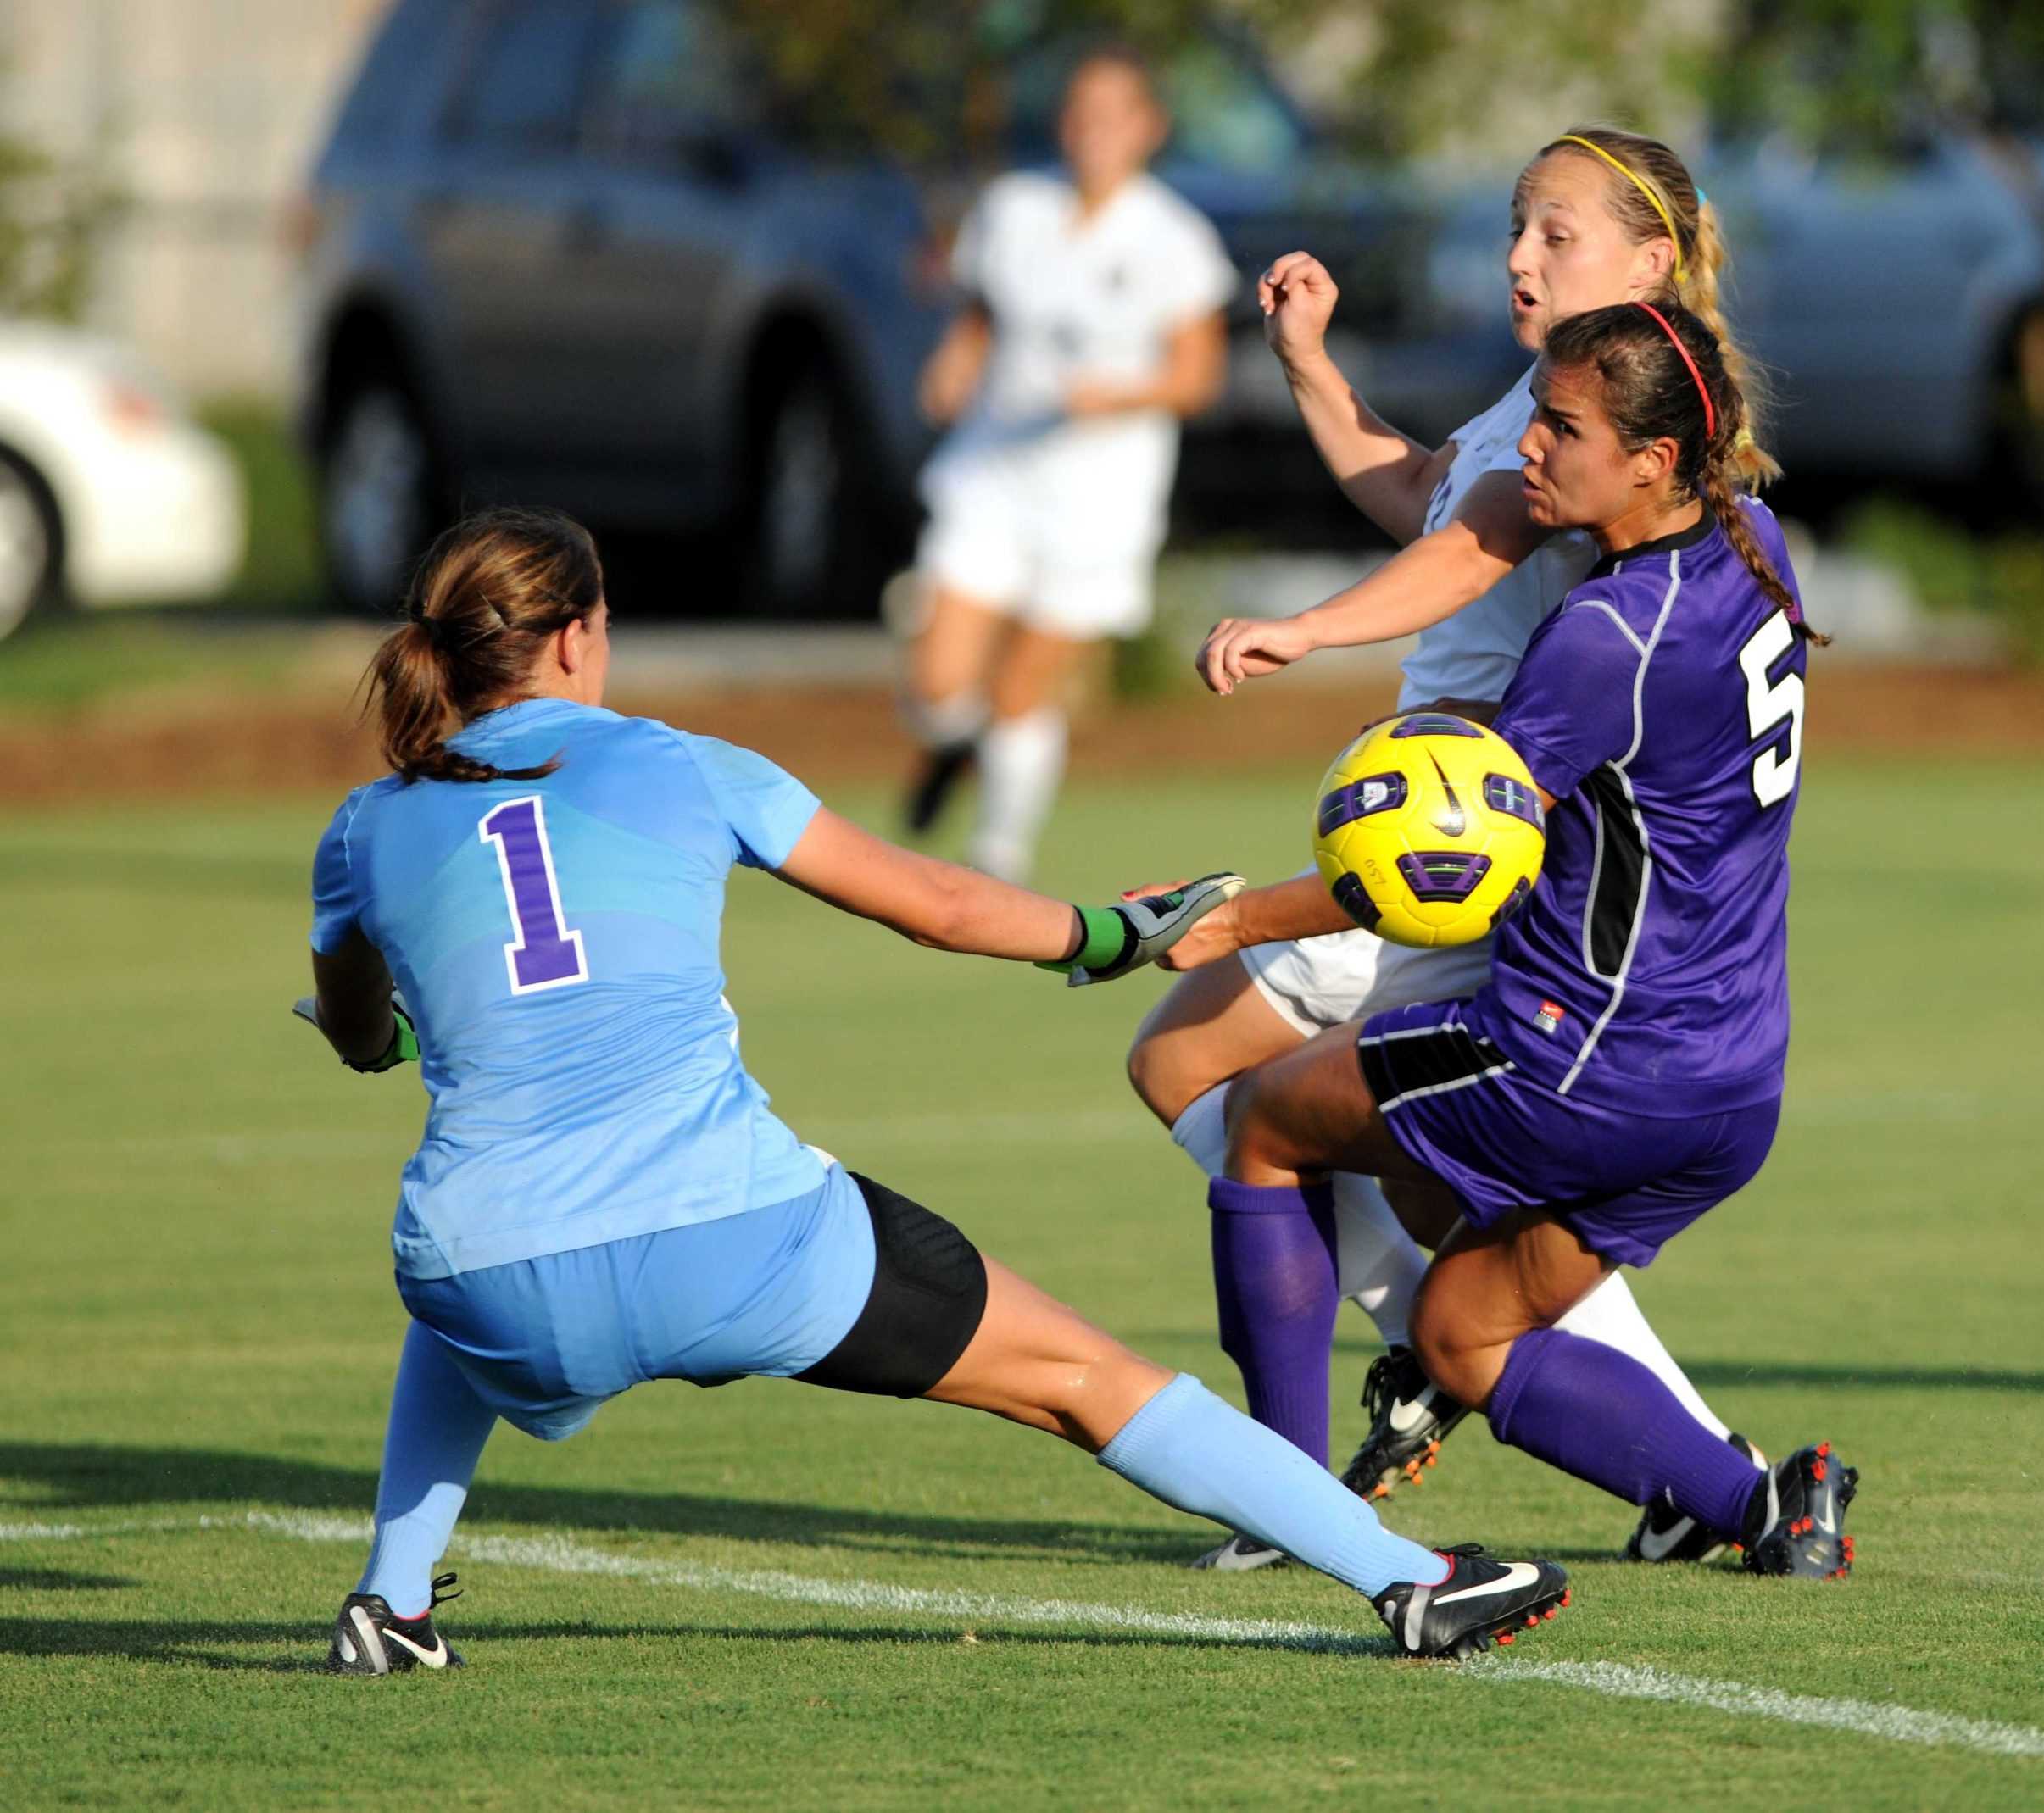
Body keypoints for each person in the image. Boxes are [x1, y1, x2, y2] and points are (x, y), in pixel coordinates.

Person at [297, 505, 1570, 1676]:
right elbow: (945, 905)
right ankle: (1415, 1580)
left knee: (476, 1256)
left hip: (486, 1268)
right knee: (1085, 1375)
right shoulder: (684, 763)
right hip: (734, 1240)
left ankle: (390, 1602)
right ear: (577, 635)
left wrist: (395, 1038)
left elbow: (362, 1033)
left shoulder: (362, 826)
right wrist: (1114, 934)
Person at [1126, 128, 1777, 1568]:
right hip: (1472, 838)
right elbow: (1428, 489)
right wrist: (1312, 368)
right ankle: (1683, 1462)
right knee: (1434, 1200)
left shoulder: (1587, 441)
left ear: (1650, 263)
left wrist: (1305, 626)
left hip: (1458, 847)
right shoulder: (1561, 408)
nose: (1519, 257)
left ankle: (1308, 1481)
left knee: (1209, 1080)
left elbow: (1467, 547)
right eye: (1514, 229)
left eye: (1556, 233)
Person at [898, 45, 1235, 881]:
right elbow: (980, 315)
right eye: (1080, 111)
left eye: (1113, 114)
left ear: (1147, 129)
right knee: (939, 680)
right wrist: (953, 363)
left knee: (1022, 688)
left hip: (1101, 497)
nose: (1093, 131)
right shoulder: (1013, 207)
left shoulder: (1173, 238)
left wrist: (1115, 398)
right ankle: (953, 747)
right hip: (994, 469)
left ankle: (996, 856)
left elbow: (1198, 377)